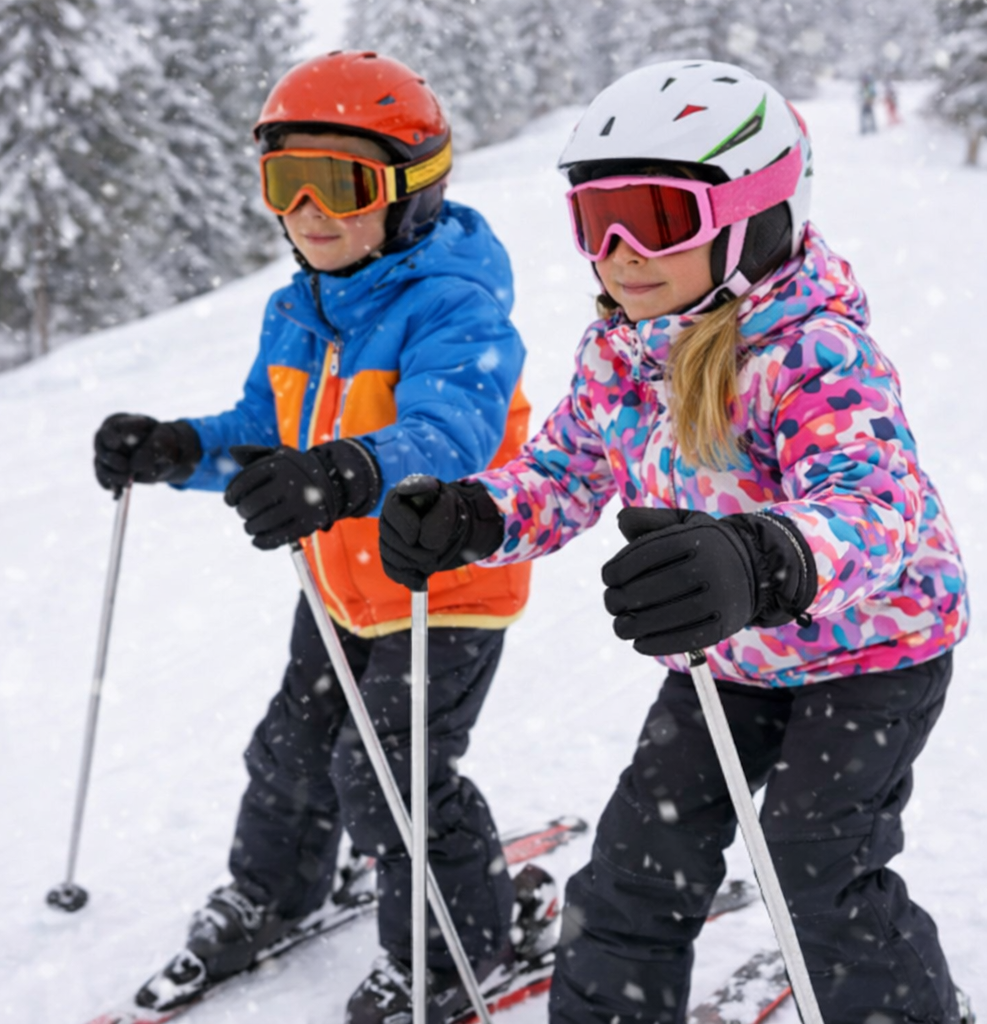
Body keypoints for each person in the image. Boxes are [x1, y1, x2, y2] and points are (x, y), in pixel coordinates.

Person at [378, 59, 972, 1024]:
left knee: (816, 871)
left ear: (755, 215)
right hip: (725, 661)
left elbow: (876, 502)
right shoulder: (621, 347)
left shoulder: (815, 350)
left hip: (873, 650)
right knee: (631, 875)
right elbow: (564, 471)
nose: (618, 251)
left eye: (655, 216)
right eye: (593, 218)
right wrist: (474, 516)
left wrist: (764, 557)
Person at [92, 51, 535, 1022]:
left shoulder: (455, 305)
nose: (306, 210)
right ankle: (275, 891)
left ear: (412, 191)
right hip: (339, 587)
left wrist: (343, 471)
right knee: (290, 749)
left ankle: (453, 950)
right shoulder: (295, 311)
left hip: (443, 584)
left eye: (339, 183)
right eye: (282, 183)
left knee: (387, 772)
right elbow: (263, 436)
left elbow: (447, 433)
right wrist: (176, 449)